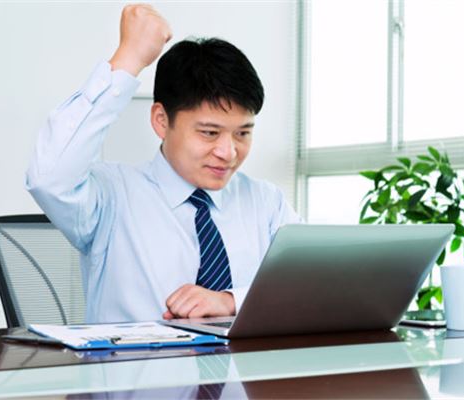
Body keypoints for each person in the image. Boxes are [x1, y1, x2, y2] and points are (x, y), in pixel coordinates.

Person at [26, 4, 300, 323]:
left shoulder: (266, 203)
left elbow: (314, 286)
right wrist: (128, 59)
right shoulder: (111, 196)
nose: (228, 152)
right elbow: (49, 177)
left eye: (243, 133)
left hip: (246, 358)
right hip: (136, 356)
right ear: (161, 120)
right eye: (209, 133)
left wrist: (231, 301)